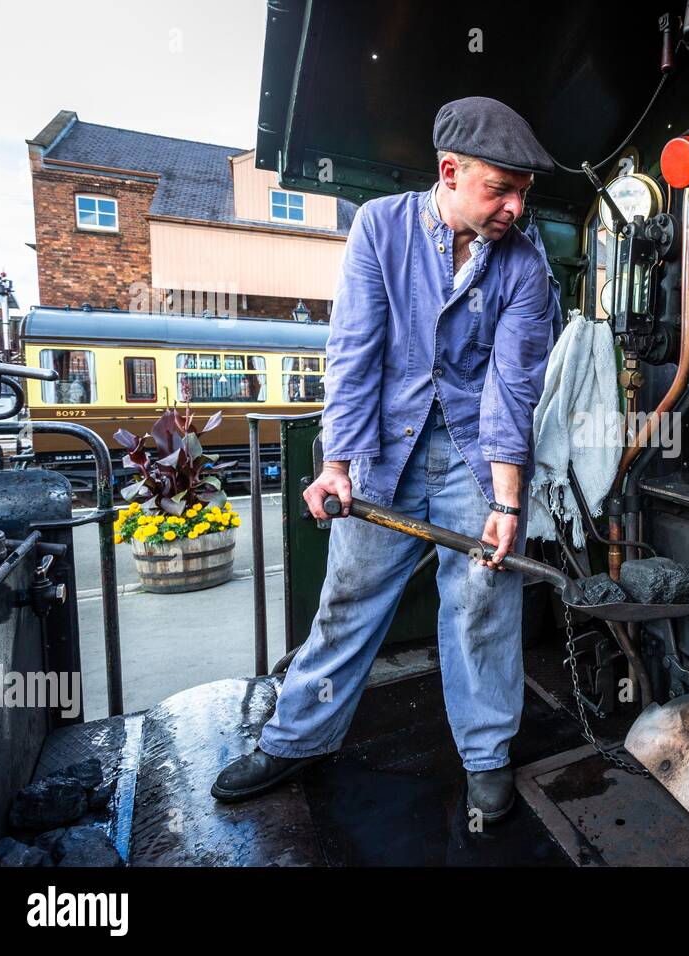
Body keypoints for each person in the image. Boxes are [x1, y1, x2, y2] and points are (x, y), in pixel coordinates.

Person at [211, 96, 559, 822]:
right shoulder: (380, 227)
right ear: (451, 171)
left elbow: (511, 387)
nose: (516, 209)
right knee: (348, 601)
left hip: (472, 455)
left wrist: (505, 502)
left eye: (524, 193)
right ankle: (298, 738)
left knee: (484, 606)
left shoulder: (524, 265)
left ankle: (487, 756)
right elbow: (354, 352)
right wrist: (336, 461)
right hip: (381, 451)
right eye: (502, 190)